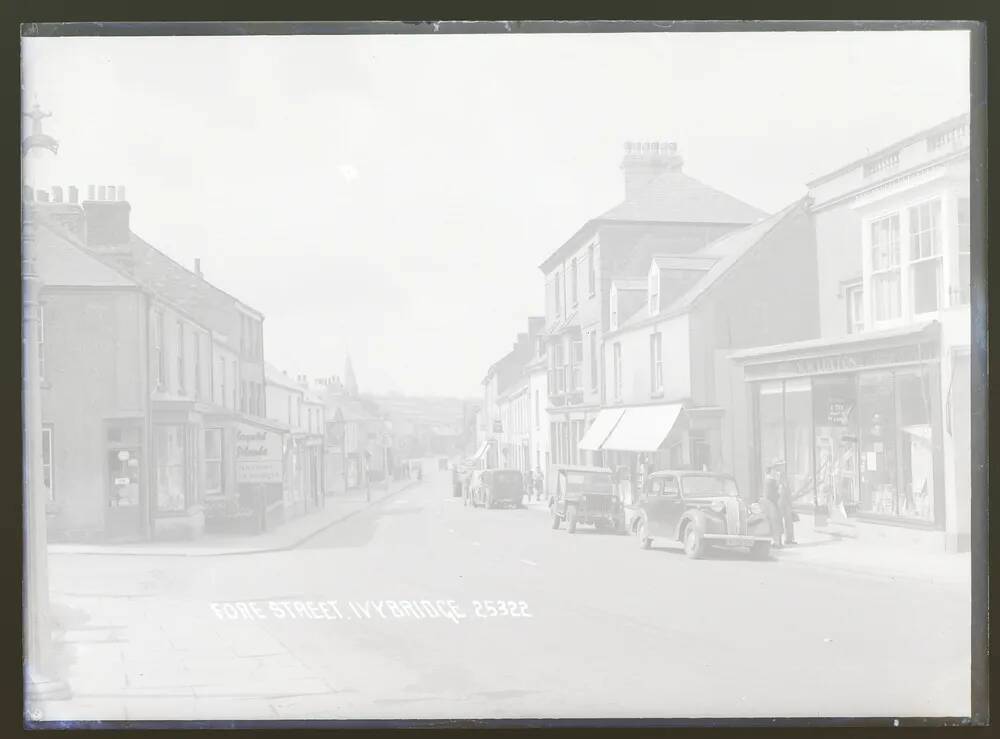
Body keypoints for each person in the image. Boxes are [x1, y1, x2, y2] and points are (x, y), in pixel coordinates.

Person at [762, 462, 784, 548]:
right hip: (772, 504)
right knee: (775, 522)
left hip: (772, 503)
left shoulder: (770, 480)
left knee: (775, 522)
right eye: (773, 470)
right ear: (770, 471)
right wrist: (778, 490)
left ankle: (777, 542)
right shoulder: (770, 481)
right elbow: (771, 494)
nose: (775, 471)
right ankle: (777, 542)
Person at [777, 463, 796, 545]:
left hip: (786, 502)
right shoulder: (776, 478)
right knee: (778, 521)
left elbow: (789, 491)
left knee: (789, 521)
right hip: (779, 502)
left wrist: (790, 503)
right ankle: (778, 540)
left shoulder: (786, 479)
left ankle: (789, 539)